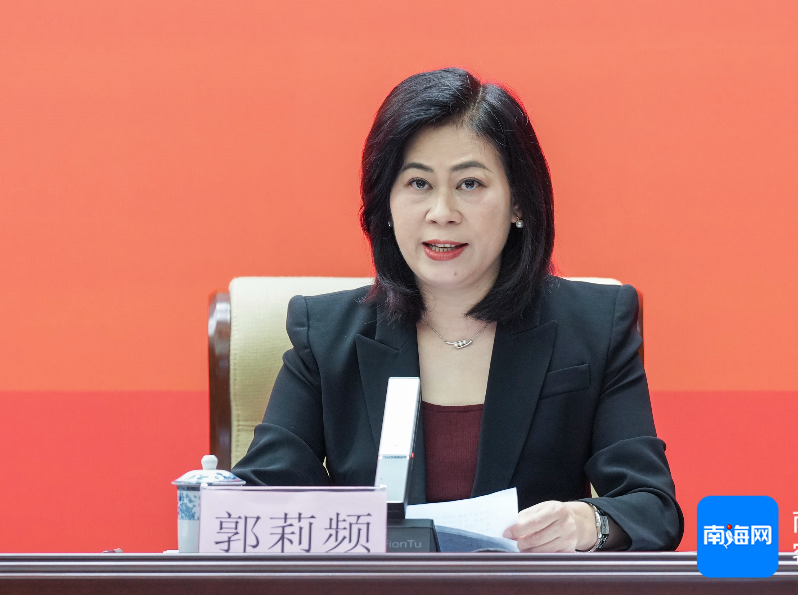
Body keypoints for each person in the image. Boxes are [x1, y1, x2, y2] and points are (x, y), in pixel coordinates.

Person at [233, 67, 683, 552]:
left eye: (470, 184)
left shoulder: (595, 326)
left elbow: (652, 509)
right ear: (385, 204)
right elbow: (258, 499)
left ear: (518, 203)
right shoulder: (324, 335)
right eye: (418, 183)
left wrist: (587, 523)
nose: (442, 212)